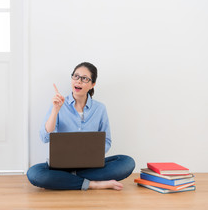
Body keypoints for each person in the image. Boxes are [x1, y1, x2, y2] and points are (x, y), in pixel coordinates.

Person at [27, 62, 135, 191]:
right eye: (76, 76)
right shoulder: (58, 104)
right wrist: (55, 110)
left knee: (127, 162)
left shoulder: (100, 108)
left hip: (90, 167)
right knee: (34, 173)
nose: (78, 81)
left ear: (92, 84)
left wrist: (91, 155)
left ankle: (66, 179)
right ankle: (92, 184)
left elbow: (107, 141)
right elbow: (45, 137)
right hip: (61, 166)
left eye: (84, 78)